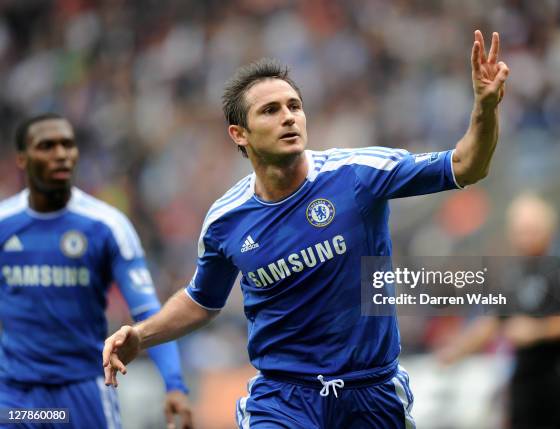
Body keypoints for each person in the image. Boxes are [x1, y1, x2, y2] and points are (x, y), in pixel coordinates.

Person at [104, 30, 509, 428]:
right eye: (270, 110)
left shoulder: (357, 175)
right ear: (239, 134)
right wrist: (142, 335)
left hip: (371, 392)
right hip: (283, 400)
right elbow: (201, 301)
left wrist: (485, 109)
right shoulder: (226, 220)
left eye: (294, 106)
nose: (288, 117)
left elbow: (466, 166)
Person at [0, 114, 193, 429]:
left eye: (67, 145)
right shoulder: (4, 223)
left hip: (84, 391)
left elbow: (146, 310)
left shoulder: (107, 226)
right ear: (22, 158)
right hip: (15, 395)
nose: (60, 154)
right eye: (47, 146)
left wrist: (173, 383)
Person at [438, 193, 560, 429]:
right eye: (521, 230)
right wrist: (457, 350)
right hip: (522, 381)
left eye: (532, 229)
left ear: (548, 230)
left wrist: (539, 330)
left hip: (555, 378)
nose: (526, 237)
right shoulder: (511, 274)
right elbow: (493, 322)